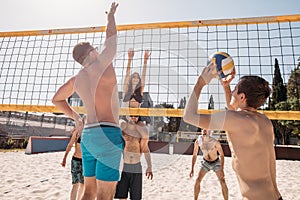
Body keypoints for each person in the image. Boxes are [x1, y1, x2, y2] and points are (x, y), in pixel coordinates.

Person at [52, 2, 125, 200]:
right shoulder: (103, 64)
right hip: (108, 133)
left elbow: (56, 99)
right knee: (105, 195)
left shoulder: (77, 80)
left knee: (88, 192)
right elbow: (111, 36)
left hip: (89, 137)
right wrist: (110, 15)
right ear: (92, 52)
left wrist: (76, 116)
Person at [183, 62, 282, 200]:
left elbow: (189, 116)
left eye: (235, 89)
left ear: (242, 98)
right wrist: (226, 86)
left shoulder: (235, 119)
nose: (232, 92)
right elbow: (234, 110)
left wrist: (200, 83)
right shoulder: (264, 121)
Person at [114, 116, 153, 200]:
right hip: (124, 166)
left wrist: (149, 166)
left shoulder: (140, 132)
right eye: (131, 116)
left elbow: (146, 149)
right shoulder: (124, 128)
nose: (133, 118)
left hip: (136, 167)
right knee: (122, 196)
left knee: (135, 197)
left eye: (136, 116)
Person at [189, 129, 228, 200]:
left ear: (210, 132)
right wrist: (192, 169)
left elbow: (222, 155)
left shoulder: (215, 142)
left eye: (206, 129)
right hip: (205, 163)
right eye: (203, 129)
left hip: (216, 163)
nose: (204, 131)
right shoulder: (198, 141)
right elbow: (194, 155)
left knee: (222, 181)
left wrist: (222, 169)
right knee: (197, 180)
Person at [61, 126, 84, 200]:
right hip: (76, 160)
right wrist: (64, 158)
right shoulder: (77, 132)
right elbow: (70, 145)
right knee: (75, 184)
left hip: (85, 162)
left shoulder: (90, 132)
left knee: (82, 185)